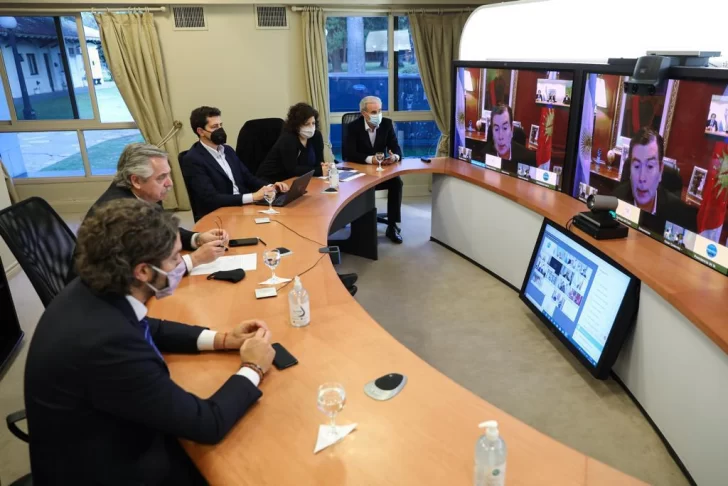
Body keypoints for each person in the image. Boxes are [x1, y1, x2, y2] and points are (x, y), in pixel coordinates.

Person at [24, 199, 276, 485]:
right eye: (174, 258)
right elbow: (207, 423)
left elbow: (150, 326)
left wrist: (223, 339)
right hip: (112, 469)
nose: (180, 264)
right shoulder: (107, 345)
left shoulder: (92, 287)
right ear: (143, 271)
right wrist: (253, 367)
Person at [87, 143, 227, 272]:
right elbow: (145, 271)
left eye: (168, 174)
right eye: (161, 177)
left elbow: (161, 229)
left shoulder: (146, 193)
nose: (170, 183)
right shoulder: (118, 214)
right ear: (136, 180)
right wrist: (194, 259)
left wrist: (198, 239)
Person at [181, 106, 290, 221]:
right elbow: (210, 198)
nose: (220, 130)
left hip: (244, 207)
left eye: (221, 125)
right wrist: (253, 197)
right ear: (200, 131)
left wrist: (270, 187)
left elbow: (248, 177)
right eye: (214, 127)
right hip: (220, 214)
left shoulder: (227, 150)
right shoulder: (193, 159)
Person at [343, 96, 404, 244]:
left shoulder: (387, 124)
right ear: (364, 113)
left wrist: (394, 157)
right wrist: (371, 159)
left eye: (380, 111)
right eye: (374, 112)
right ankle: (359, 225)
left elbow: (396, 148)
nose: (378, 115)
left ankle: (392, 226)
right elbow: (348, 154)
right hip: (360, 175)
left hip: (380, 174)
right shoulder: (353, 127)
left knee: (397, 183)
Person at [611, 127, 697, 232]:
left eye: (650, 166)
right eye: (637, 166)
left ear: (660, 171)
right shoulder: (614, 202)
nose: (642, 178)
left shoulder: (680, 217)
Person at [257, 102, 325, 183]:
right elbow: (292, 170)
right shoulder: (288, 139)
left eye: (313, 123)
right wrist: (319, 171)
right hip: (272, 180)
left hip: (297, 180)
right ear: (296, 125)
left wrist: (325, 167)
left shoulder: (316, 136)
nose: (311, 128)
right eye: (307, 124)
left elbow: (319, 162)